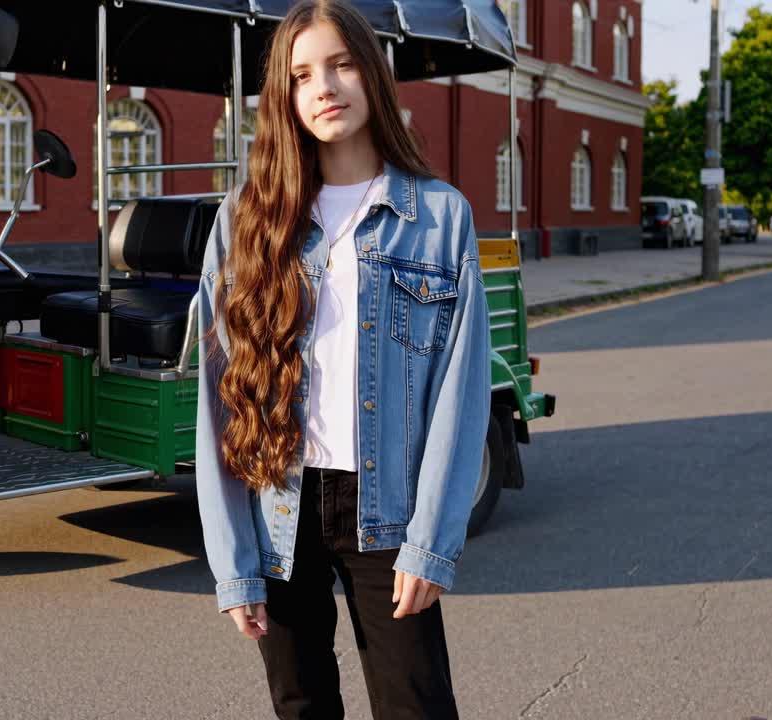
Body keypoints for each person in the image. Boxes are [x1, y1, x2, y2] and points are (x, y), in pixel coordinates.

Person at [194, 1, 491, 718]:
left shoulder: (439, 215)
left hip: (384, 507)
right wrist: (234, 565)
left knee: (416, 704)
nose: (323, 87)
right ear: (284, 97)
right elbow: (217, 397)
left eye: (341, 64)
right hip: (278, 501)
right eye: (301, 75)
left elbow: (462, 388)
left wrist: (431, 542)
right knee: (300, 704)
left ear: (373, 74)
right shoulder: (244, 218)